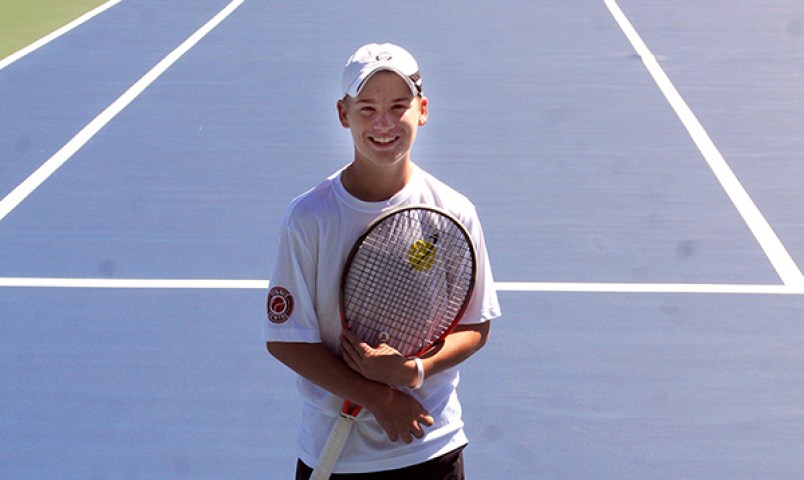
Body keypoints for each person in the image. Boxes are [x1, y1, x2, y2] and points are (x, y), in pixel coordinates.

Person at [264, 42, 501, 479]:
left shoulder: (454, 211)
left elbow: (475, 325)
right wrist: (381, 398)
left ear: (423, 109)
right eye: (368, 108)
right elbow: (287, 340)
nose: (385, 123)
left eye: (398, 106)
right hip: (335, 452)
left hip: (432, 446)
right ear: (342, 113)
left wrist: (414, 372)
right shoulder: (309, 218)